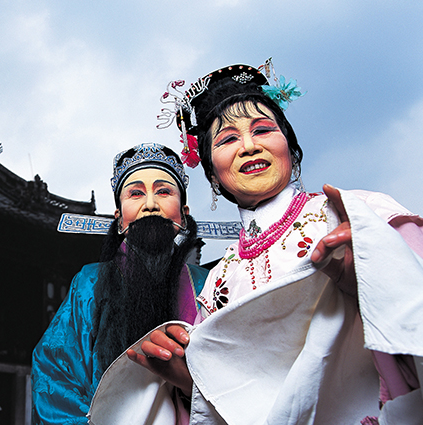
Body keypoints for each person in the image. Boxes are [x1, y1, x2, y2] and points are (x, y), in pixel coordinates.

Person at [90, 60, 423, 424]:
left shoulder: (358, 215)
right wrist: (188, 381)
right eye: (228, 139)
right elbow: (236, 399)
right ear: (212, 173)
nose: (249, 147)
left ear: (290, 147)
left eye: (263, 130)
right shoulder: (218, 283)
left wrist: (372, 281)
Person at [31, 143, 210, 424]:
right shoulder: (90, 283)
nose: (150, 204)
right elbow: (54, 372)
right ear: (118, 219)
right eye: (136, 193)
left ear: (183, 214)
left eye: (164, 192)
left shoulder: (206, 283)